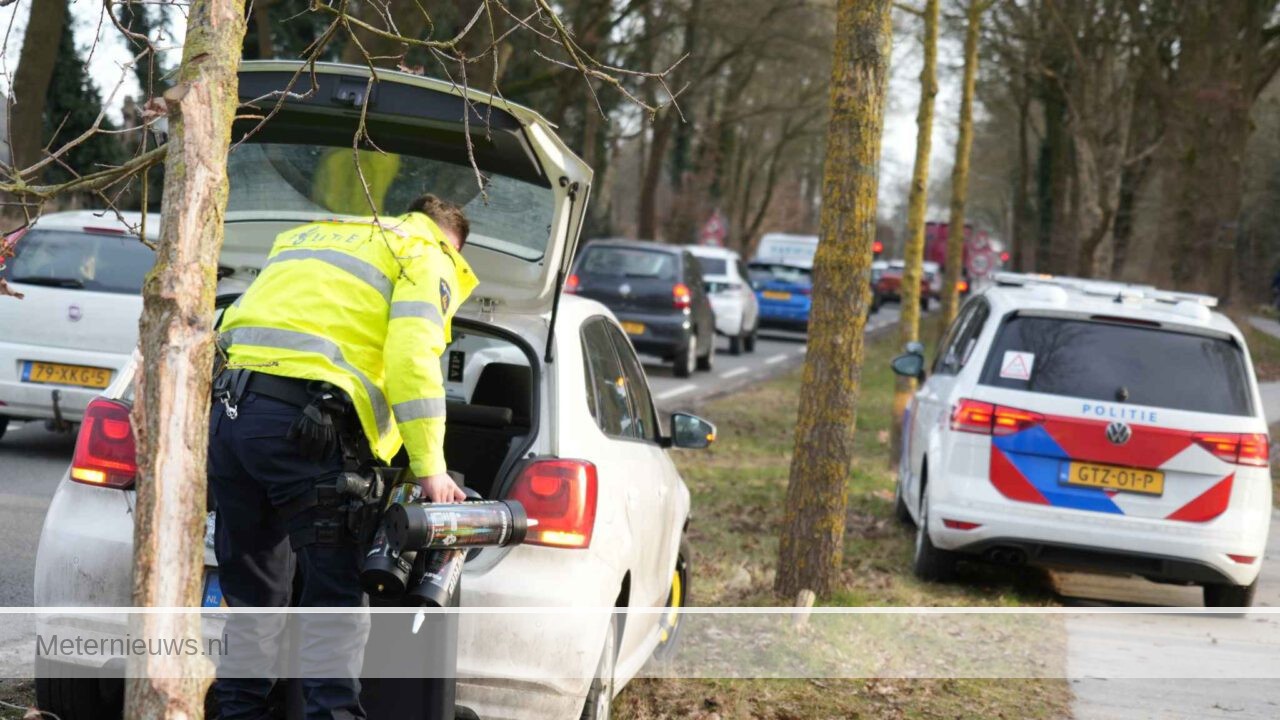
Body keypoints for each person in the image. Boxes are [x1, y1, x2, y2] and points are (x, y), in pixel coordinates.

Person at [207, 194, 476, 720]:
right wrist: (431, 469)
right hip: (306, 432)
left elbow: (231, 322)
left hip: (233, 418)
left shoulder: (315, 235)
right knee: (334, 600)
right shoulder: (424, 253)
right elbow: (412, 357)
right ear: (453, 244)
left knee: (253, 597)